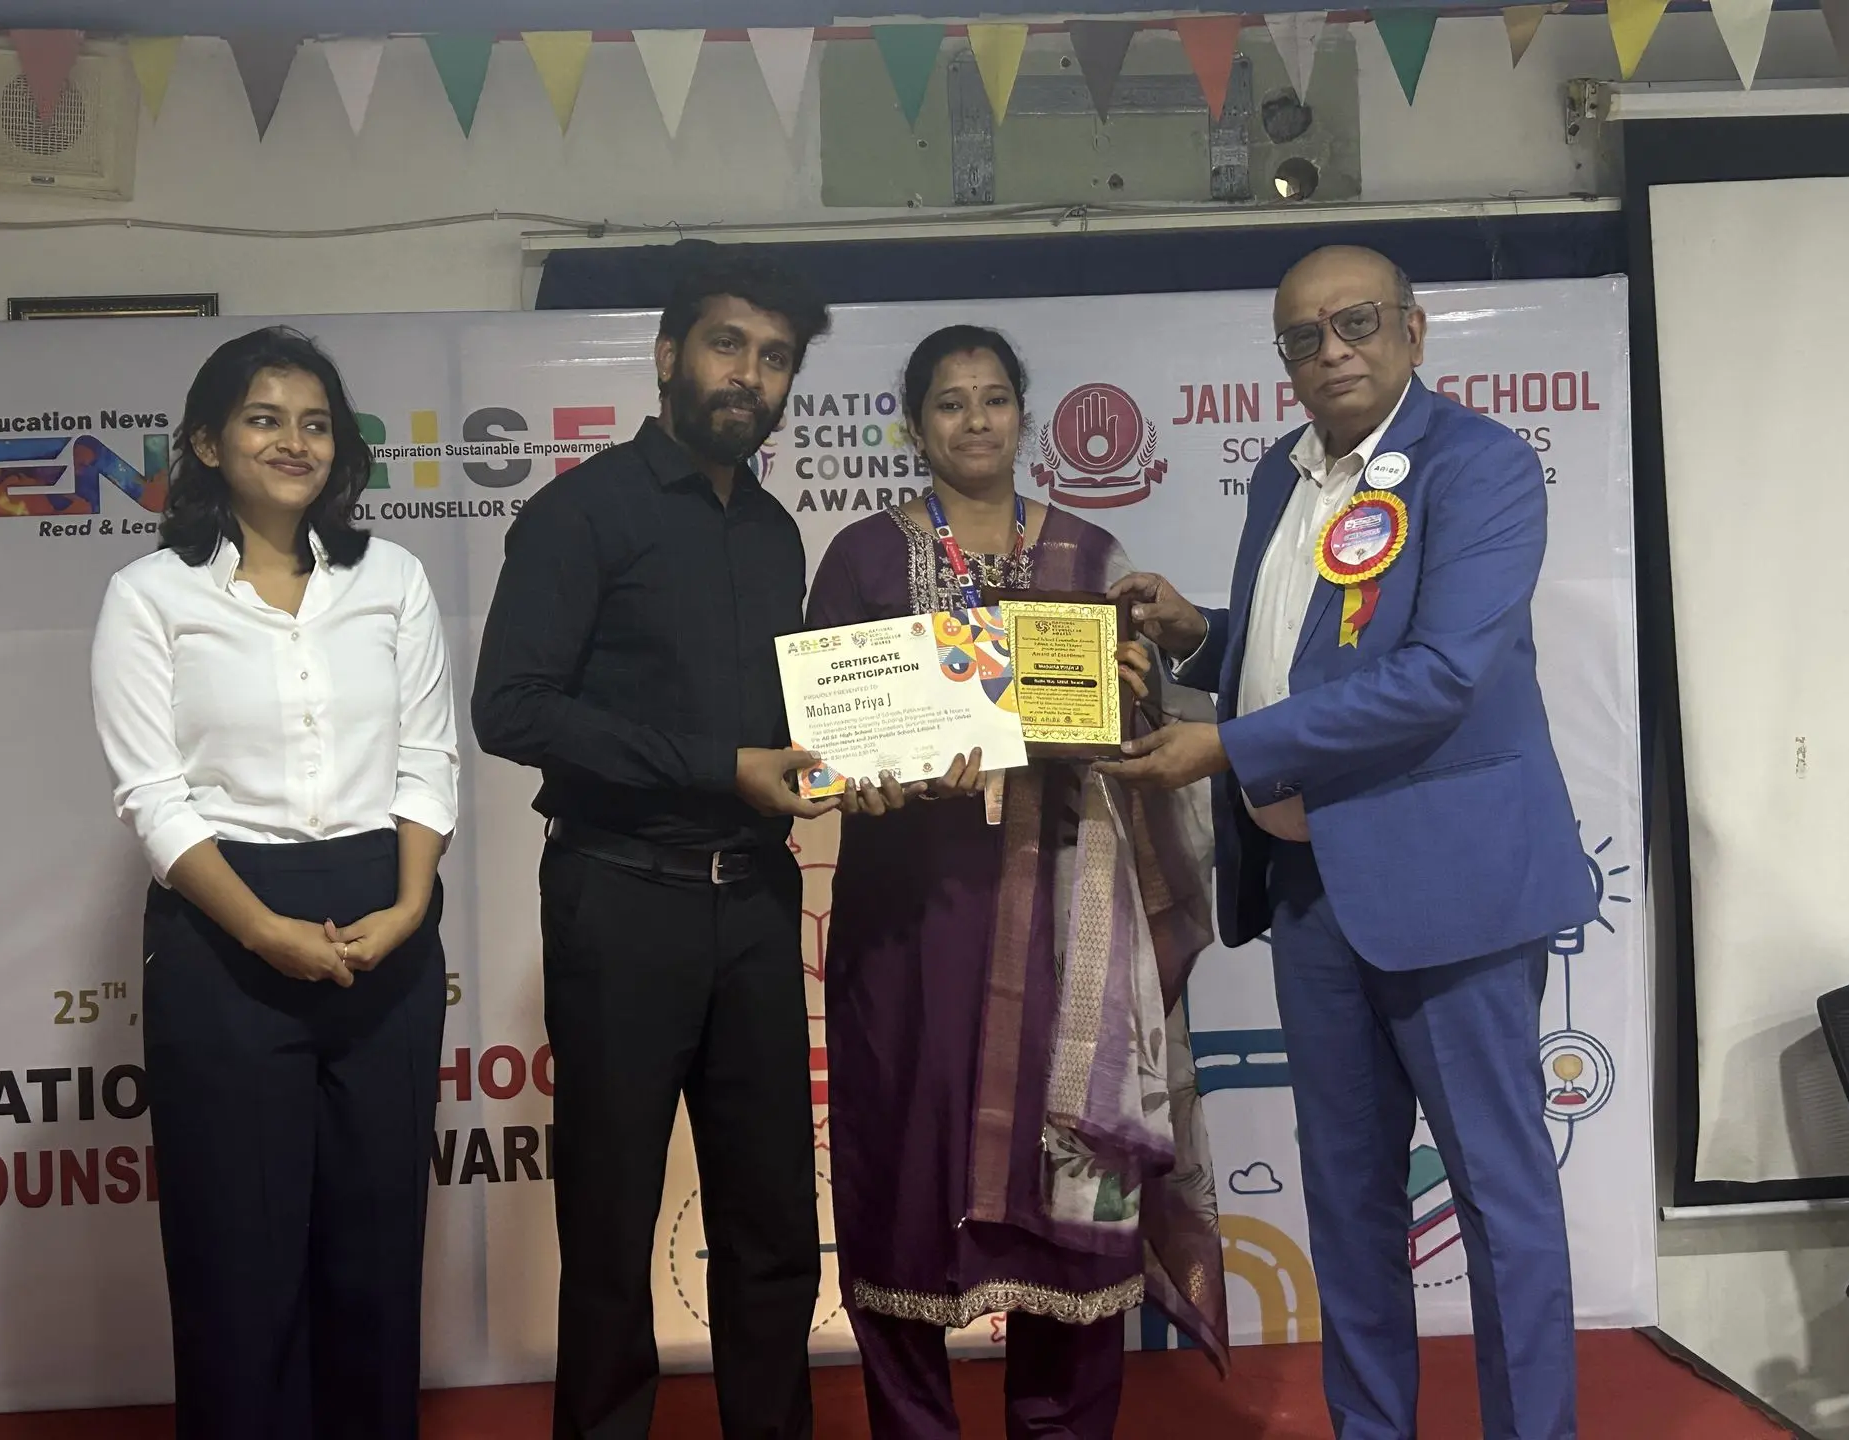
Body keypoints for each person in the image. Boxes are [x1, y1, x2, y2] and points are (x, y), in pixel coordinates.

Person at [1101, 246, 1597, 1440]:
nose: (1330, 352)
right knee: (1347, 1199)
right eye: (1302, 337)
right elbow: (1312, 656)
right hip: (1311, 886)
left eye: (1356, 323)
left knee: (1499, 1202)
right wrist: (1200, 638)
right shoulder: (1284, 474)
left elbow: (1438, 676)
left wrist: (1224, 747)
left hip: (1454, 891)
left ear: (1413, 333)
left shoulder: (1479, 466)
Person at [806, 324, 1229, 1440]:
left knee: (1071, 1159)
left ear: (1023, 415)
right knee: (907, 1156)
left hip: (1068, 910)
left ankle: (1065, 1424)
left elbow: (1133, 732)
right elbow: (828, 735)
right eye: (950, 403)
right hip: (911, 915)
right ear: (915, 425)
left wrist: (1135, 686)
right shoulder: (861, 557)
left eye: (994, 398)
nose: (976, 420)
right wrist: (863, 778)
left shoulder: (1088, 553)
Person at [470, 244, 835, 1440]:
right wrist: (714, 766)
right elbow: (511, 709)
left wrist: (857, 761)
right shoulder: (581, 513)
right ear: (670, 354)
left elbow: (784, 727)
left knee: (774, 1220)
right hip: (619, 898)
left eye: (775, 358)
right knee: (612, 1223)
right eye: (729, 345)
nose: (750, 375)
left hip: (756, 902)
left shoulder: (774, 532)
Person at [89, 327, 458, 1440]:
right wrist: (263, 931)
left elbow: (428, 760)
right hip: (224, 933)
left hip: (387, 921)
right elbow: (154, 797)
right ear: (206, 442)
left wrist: (408, 908)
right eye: (264, 418)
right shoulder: (150, 595)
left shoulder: (391, 579)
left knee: (376, 1250)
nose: (294, 441)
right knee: (236, 1259)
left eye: (315, 422)